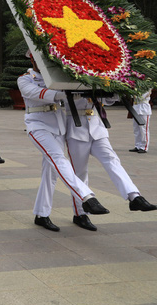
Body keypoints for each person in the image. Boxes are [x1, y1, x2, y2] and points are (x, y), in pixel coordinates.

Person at [17, 51, 110, 231]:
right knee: (58, 159)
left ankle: (42, 214)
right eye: (38, 59)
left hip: (59, 126)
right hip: (38, 125)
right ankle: (86, 197)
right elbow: (40, 93)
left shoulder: (57, 77)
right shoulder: (25, 79)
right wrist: (70, 94)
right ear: (31, 59)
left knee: (50, 171)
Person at [66, 93, 156, 231]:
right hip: (75, 126)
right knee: (80, 172)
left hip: (96, 126)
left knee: (112, 160)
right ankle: (80, 214)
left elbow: (106, 100)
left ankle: (134, 197)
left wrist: (113, 92)